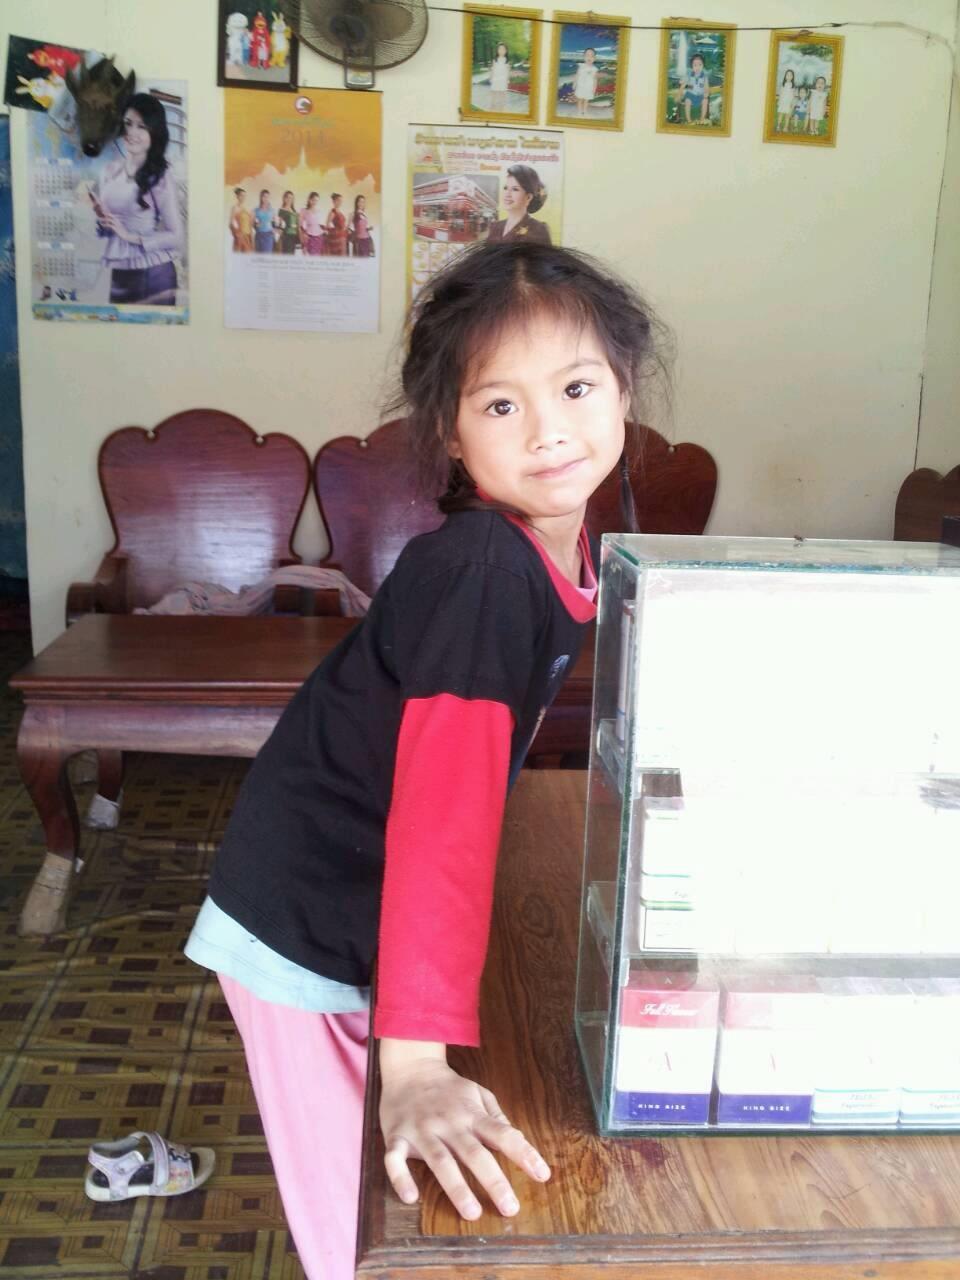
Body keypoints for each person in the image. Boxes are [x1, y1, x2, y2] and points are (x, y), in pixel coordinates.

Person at [184, 239, 667, 1280]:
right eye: (500, 405)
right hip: (307, 919)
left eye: (576, 387)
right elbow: (441, 817)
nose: (548, 429)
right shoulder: (483, 568)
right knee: (357, 1230)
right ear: (451, 431)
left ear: (623, 389)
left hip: (357, 893)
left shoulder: (565, 546)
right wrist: (412, 1062)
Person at [91, 93, 183, 305]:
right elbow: (113, 228)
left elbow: (176, 236)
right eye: (128, 124)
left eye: (142, 127)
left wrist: (128, 236)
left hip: (154, 274)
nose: (132, 132)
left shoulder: (159, 176)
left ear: (154, 132)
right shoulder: (109, 171)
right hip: (121, 273)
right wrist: (104, 221)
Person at [486, 164, 552, 244]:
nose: (507, 194)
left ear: (528, 197)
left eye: (515, 189)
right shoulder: (495, 227)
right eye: (506, 188)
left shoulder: (539, 230)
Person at [681, 52, 709, 124]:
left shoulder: (704, 76)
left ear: (703, 65)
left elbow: (706, 87)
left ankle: (702, 118)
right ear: (692, 66)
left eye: (700, 65)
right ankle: (689, 120)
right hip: (691, 95)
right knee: (687, 101)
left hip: (700, 95)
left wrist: (706, 92)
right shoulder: (689, 75)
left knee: (705, 101)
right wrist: (685, 85)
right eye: (695, 65)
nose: (697, 67)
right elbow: (684, 85)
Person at [573, 46, 599, 117]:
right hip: (580, 86)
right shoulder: (581, 66)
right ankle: (579, 111)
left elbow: (595, 79)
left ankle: (585, 111)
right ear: (584, 57)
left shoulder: (594, 69)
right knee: (580, 100)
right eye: (587, 55)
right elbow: (577, 75)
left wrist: (594, 88)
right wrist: (574, 83)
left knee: (586, 100)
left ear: (594, 58)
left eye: (592, 56)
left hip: (589, 87)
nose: (589, 57)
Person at [300, 190, 324, 254]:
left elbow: (320, 224)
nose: (315, 202)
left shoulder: (319, 211)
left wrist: (325, 230)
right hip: (309, 236)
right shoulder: (304, 210)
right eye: (313, 200)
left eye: (316, 200)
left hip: (319, 236)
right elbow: (300, 225)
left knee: (318, 255)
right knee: (310, 255)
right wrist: (303, 235)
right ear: (309, 200)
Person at [229, 186, 252, 252]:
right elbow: (231, 223)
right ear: (237, 196)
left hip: (247, 236)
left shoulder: (246, 208)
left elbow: (249, 222)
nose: (243, 197)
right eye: (241, 195)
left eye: (244, 196)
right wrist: (237, 234)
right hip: (240, 237)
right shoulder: (235, 208)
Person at [489, 41, 510, 111]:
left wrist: (507, 79)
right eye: (500, 49)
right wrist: (491, 78)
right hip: (495, 79)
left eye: (503, 49)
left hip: (503, 80)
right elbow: (492, 69)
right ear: (497, 50)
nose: (501, 51)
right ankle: (493, 106)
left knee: (502, 94)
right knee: (494, 93)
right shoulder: (495, 60)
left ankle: (502, 107)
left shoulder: (507, 61)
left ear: (506, 51)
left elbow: (508, 71)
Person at [325, 191, 348, 255]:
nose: (340, 202)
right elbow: (327, 224)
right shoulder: (333, 212)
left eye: (341, 201)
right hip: (337, 238)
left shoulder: (340, 212)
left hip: (342, 236)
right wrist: (334, 231)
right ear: (334, 201)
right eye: (338, 200)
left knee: (343, 254)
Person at [253, 189, 275, 253]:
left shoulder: (272, 210)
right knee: (258, 255)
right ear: (261, 197)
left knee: (267, 255)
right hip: (259, 235)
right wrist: (256, 225)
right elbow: (253, 224)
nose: (265, 198)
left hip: (268, 235)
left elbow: (275, 223)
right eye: (264, 196)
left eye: (267, 197)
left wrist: (275, 230)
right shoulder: (256, 210)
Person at [777, 67, 796, 132]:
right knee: (781, 115)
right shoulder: (782, 85)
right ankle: (778, 125)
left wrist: (792, 104)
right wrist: (779, 102)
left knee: (787, 116)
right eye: (787, 75)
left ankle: (785, 127)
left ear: (792, 77)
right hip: (782, 103)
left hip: (789, 103)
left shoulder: (793, 86)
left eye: (791, 75)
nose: (789, 76)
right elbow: (780, 94)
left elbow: (793, 96)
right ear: (785, 76)